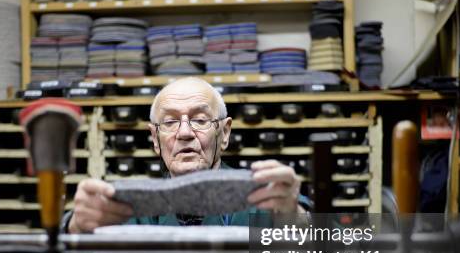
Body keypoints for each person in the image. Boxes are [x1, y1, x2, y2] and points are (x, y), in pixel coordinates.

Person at [65, 77, 309, 233]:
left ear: (224, 133)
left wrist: (293, 217)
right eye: (170, 122)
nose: (184, 133)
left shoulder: (267, 197)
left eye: (200, 120)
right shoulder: (134, 208)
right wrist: (77, 224)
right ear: (155, 139)